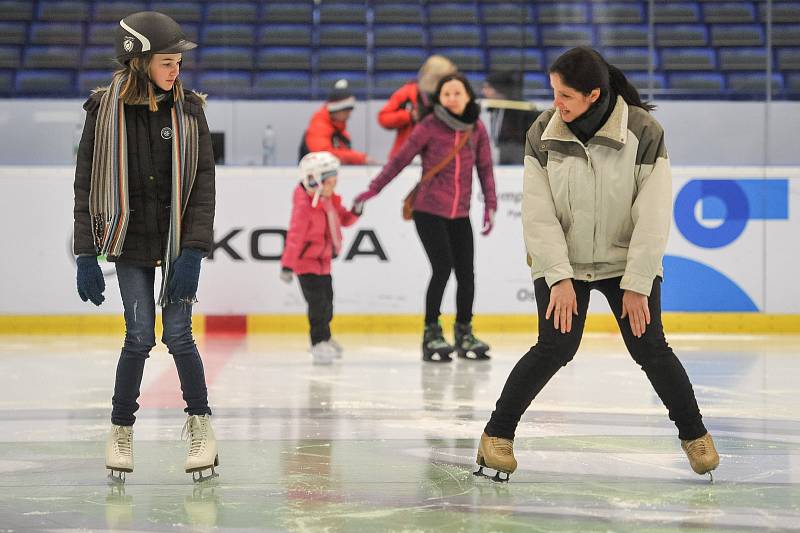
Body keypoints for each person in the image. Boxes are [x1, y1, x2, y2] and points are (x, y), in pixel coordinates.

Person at [475, 47, 719, 482]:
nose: (556, 103)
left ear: (593, 94)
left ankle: (695, 435)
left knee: (650, 346)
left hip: (625, 261)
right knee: (556, 345)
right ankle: (496, 436)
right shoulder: (542, 133)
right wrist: (558, 277)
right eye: (553, 92)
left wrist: (638, 280)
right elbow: (538, 213)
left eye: (565, 95)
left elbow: (654, 211)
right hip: (563, 261)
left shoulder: (643, 131)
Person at [72, 11, 218, 483]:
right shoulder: (103, 110)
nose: (176, 70)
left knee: (178, 334)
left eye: (179, 62)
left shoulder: (191, 109)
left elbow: (203, 186)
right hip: (130, 241)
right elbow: (84, 185)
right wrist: (85, 253)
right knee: (138, 336)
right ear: (139, 61)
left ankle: (201, 426)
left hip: (176, 241)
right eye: (167, 62)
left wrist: (194, 250)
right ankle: (120, 430)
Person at [354, 73, 497, 363]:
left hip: (460, 213)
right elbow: (399, 161)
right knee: (442, 268)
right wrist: (373, 189)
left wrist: (490, 204)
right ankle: (431, 333)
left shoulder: (476, 128)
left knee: (466, 273)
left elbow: (485, 168)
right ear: (439, 99)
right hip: (429, 210)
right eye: (446, 94)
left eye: (457, 93)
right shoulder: (429, 126)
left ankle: (463, 332)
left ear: (468, 96)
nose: (452, 99)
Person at [280, 152, 361, 365]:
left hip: (324, 263)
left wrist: (356, 211)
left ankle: (325, 337)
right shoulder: (305, 206)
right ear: (314, 180)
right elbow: (295, 236)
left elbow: (343, 219)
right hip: (306, 264)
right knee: (317, 305)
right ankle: (317, 342)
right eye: (330, 181)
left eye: (335, 180)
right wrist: (287, 265)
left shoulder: (329, 200)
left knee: (328, 303)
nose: (334, 185)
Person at [378, 54, 457, 159]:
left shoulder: (450, 96)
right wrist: (409, 116)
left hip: (438, 156)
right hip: (405, 157)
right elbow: (383, 118)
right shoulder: (408, 92)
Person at [299, 79, 370, 164]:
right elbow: (323, 156)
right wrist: (360, 158)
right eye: (346, 110)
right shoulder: (318, 128)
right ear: (336, 109)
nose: (349, 115)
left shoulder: (341, 132)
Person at [481, 71, 541, 165]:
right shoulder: (493, 109)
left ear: (499, 89)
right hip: (499, 157)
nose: (484, 91)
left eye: (488, 88)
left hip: (518, 159)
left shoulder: (520, 110)